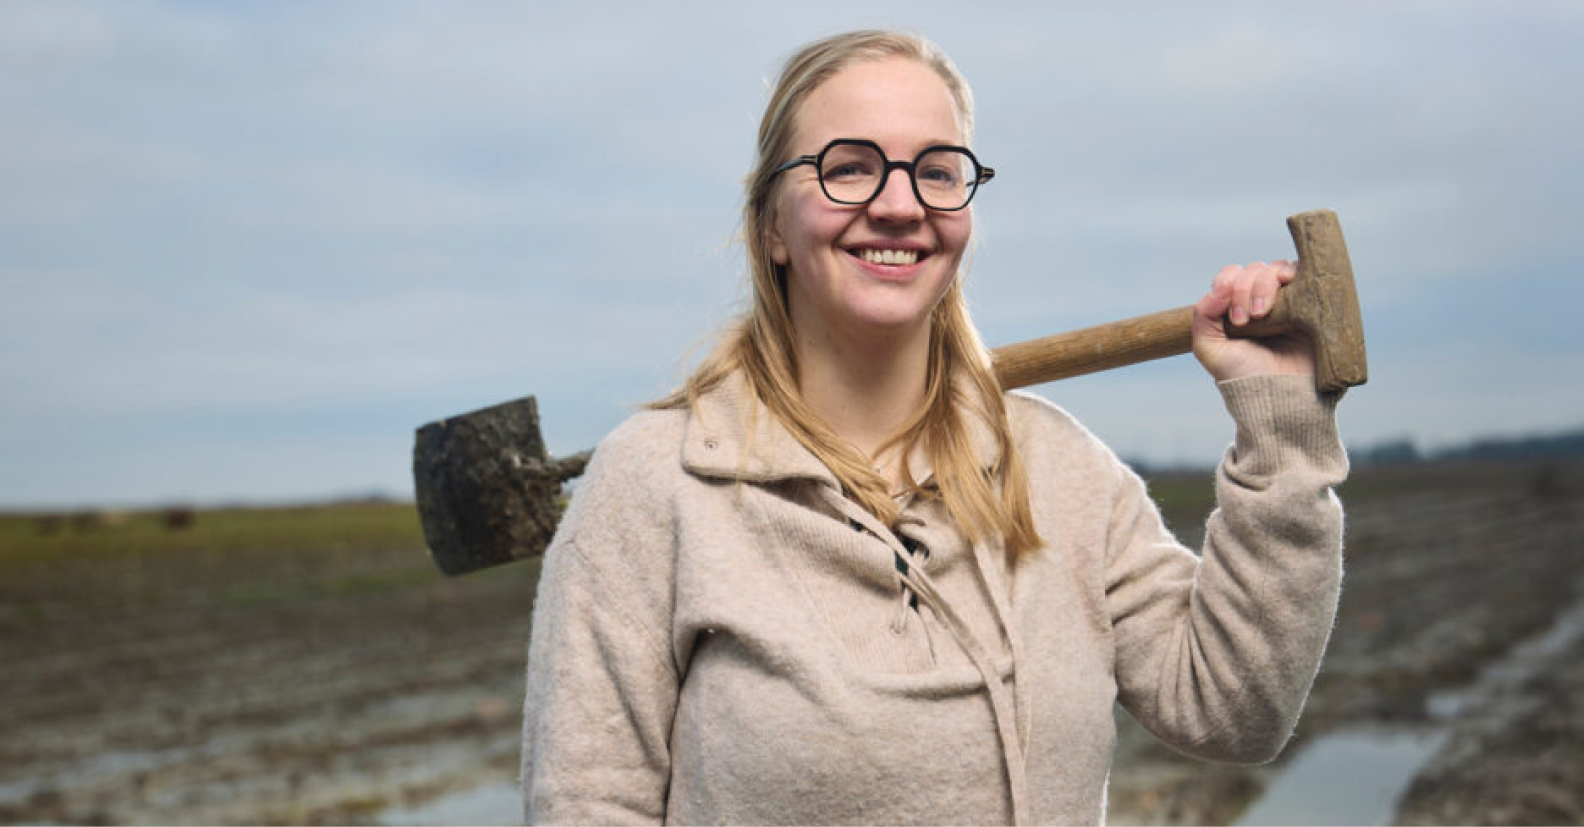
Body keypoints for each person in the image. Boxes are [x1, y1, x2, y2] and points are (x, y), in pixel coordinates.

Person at [521, 29, 1346, 826]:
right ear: (772, 225)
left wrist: (1282, 433)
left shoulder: (1061, 470)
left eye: (936, 171)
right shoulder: (652, 484)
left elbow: (1233, 708)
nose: (899, 204)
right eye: (848, 167)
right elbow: (587, 804)